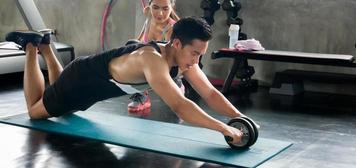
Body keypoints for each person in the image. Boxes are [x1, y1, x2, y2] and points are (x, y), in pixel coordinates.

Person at [6, 17, 245, 145]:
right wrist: (223, 128)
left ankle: (46, 44)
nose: (197, 60)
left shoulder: (182, 59)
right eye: (195, 53)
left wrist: (239, 118)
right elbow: (180, 105)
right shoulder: (152, 60)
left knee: (60, 97)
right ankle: (31, 46)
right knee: (35, 111)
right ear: (177, 44)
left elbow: (210, 93)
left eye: (201, 55)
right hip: (82, 80)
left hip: (88, 84)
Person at [127, 0, 180, 113]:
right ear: (149, 5)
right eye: (155, 7)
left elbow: (171, 60)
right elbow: (137, 43)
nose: (160, 13)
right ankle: (141, 95)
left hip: (168, 68)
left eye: (165, 8)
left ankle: (177, 85)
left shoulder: (173, 28)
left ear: (171, 7)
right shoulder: (148, 21)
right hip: (149, 67)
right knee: (130, 46)